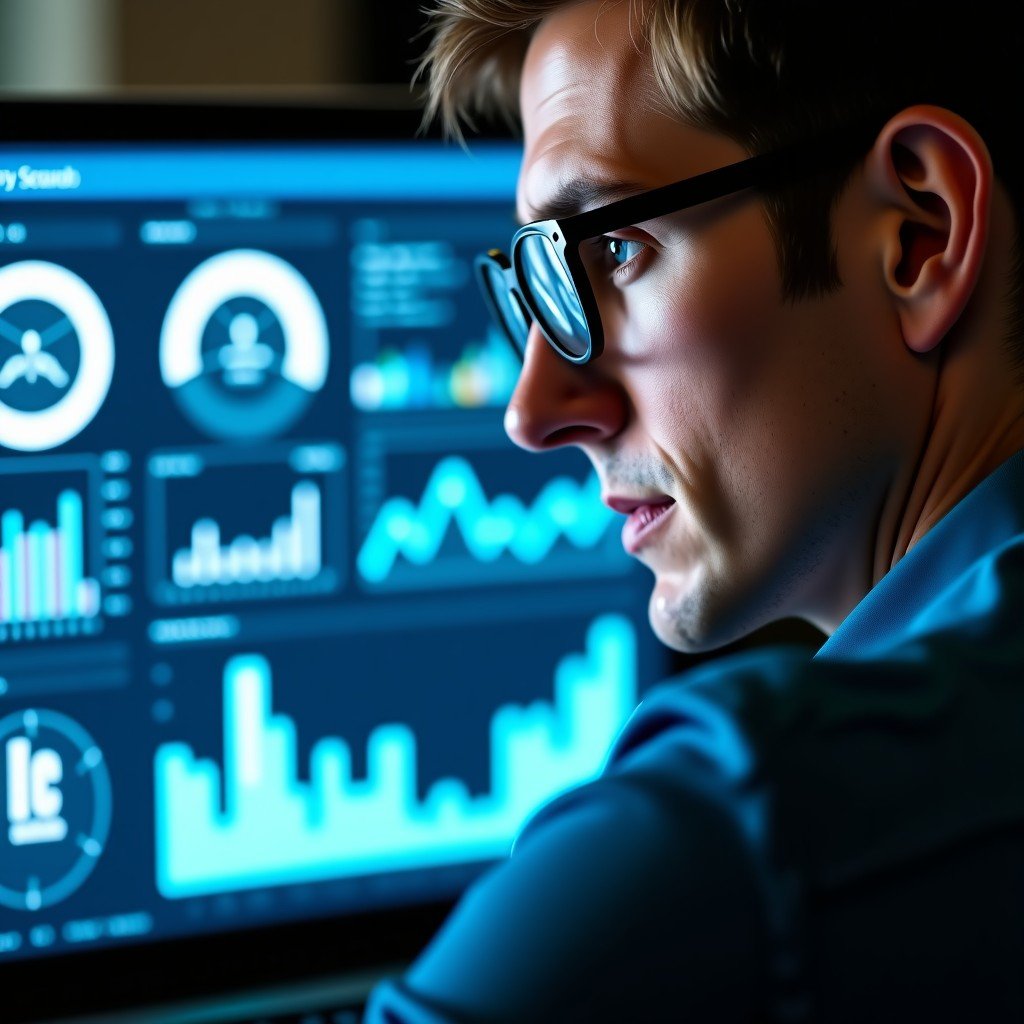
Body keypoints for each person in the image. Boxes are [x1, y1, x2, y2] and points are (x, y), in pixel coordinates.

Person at [366, 2, 1024, 1020]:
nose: (535, 409)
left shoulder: (721, 844)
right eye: (536, 285)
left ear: (916, 235)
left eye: (613, 251)